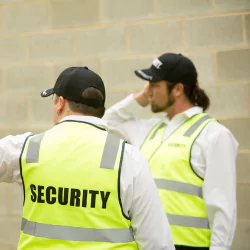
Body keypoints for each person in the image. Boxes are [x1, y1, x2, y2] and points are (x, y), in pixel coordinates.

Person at [0, 66, 175, 250]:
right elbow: (157, 243)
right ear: (99, 110)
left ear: (60, 103)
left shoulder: (26, 148)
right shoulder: (128, 158)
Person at [103, 53, 238, 250]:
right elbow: (106, 122)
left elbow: (222, 209)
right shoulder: (150, 129)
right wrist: (141, 98)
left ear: (178, 89)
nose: (148, 91)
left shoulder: (214, 135)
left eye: (154, 85)